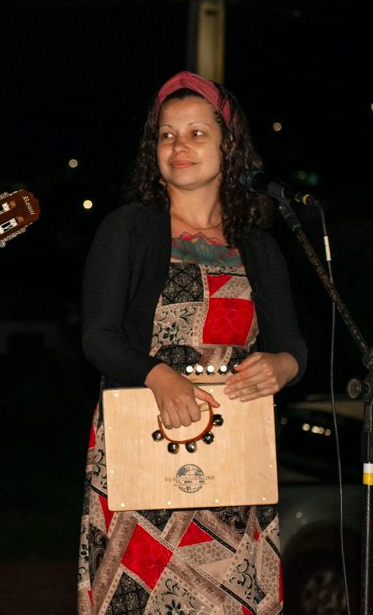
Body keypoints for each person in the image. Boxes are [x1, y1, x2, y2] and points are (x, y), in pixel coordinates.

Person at [76, 71, 307, 614]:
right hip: (146, 446)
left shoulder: (259, 244)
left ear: (228, 146)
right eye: (166, 135)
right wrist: (159, 376)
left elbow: (294, 345)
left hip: (234, 454)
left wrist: (282, 365)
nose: (179, 147)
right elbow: (98, 337)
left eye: (196, 133)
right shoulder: (128, 229)